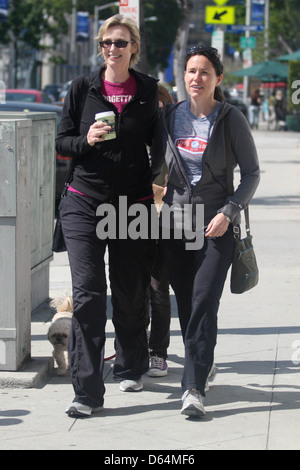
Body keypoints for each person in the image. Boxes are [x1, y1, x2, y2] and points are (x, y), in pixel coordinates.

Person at [56, 14, 162, 418]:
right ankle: (86, 390)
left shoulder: (149, 90)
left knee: (130, 288)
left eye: (120, 42)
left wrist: (162, 188)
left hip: (131, 203)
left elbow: (160, 147)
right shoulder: (83, 87)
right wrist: (86, 140)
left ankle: (131, 364)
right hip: (84, 200)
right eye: (106, 43)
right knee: (88, 292)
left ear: (134, 46)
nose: (112, 49)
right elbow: (62, 143)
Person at [157, 46, 260, 417]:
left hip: (216, 227)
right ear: (183, 76)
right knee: (186, 304)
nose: (196, 78)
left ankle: (193, 389)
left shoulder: (230, 119)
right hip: (175, 224)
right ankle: (202, 362)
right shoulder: (169, 116)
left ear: (218, 78)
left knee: (203, 302)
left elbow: (251, 173)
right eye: (190, 71)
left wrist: (230, 211)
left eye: (204, 72)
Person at [146, 84, 173, 377]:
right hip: (127, 220)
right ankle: (135, 344)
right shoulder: (132, 134)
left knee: (158, 288)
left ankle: (158, 352)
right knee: (131, 290)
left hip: (164, 223)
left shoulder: (169, 138)